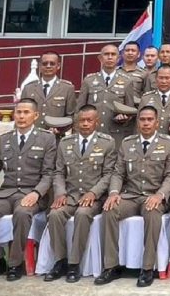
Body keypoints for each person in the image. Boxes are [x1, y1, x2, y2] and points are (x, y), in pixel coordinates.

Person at [0, 99, 56, 282]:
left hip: (32, 194)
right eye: (18, 112)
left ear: (35, 116)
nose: (21, 116)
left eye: (26, 112)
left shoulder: (46, 138)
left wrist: (36, 193)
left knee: (22, 213)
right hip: (7, 193)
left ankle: (15, 263)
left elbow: (49, 174)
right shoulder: (5, 139)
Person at [95, 106, 170, 287]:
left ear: (157, 122)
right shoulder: (127, 143)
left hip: (154, 196)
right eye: (142, 119)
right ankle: (111, 266)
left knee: (152, 212)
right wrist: (114, 193)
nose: (146, 123)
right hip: (131, 196)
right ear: (138, 122)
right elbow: (118, 173)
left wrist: (160, 195)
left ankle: (147, 268)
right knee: (109, 210)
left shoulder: (168, 144)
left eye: (150, 119)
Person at [43, 105, 115, 283]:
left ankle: (74, 264)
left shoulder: (107, 142)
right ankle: (60, 261)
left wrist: (93, 193)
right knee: (54, 214)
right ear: (76, 123)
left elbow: (109, 174)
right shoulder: (65, 143)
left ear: (97, 122)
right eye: (82, 120)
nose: (85, 124)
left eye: (89, 120)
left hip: (94, 197)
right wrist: (60, 193)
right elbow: (59, 172)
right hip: (70, 195)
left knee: (82, 214)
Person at [78, 44, 135, 137]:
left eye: (113, 54)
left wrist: (124, 117)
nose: (110, 57)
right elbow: (79, 109)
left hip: (115, 133)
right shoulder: (89, 80)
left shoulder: (127, 81)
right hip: (92, 133)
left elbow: (130, 110)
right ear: (100, 58)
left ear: (118, 58)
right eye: (106, 54)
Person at [21, 51, 77, 134]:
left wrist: (60, 129)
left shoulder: (67, 89)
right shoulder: (28, 88)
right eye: (45, 63)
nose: (48, 66)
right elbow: (21, 112)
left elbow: (71, 116)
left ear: (58, 66)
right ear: (40, 66)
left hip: (55, 137)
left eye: (52, 64)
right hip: (31, 136)